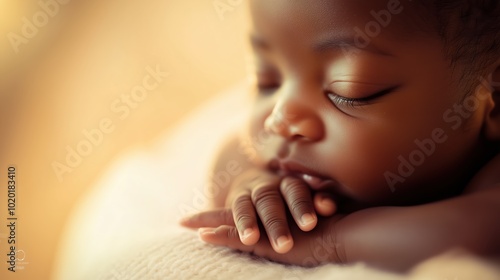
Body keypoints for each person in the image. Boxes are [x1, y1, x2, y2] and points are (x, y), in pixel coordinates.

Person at [181, 0, 500, 271]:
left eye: (349, 91)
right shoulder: (282, 143)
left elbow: (482, 233)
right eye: (267, 79)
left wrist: (332, 241)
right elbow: (233, 148)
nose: (279, 120)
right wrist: (250, 183)